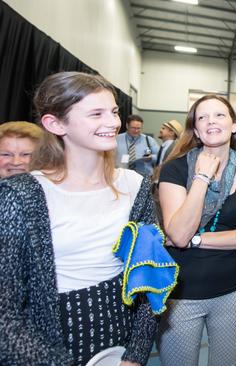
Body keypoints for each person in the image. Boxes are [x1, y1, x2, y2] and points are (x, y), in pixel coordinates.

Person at [0, 71, 157, 365]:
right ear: (55, 123)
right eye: (96, 113)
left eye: (113, 112)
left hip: (119, 336)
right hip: (46, 343)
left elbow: (147, 276)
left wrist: (135, 355)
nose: (112, 123)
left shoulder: (134, 186)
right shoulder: (20, 195)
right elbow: (5, 314)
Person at [156, 94, 236, 366]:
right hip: (181, 293)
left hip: (232, 290)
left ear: (234, 125)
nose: (211, 121)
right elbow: (177, 234)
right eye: (202, 117)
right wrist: (201, 177)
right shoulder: (175, 170)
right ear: (196, 130)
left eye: (219, 115)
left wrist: (196, 239)